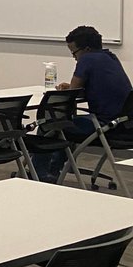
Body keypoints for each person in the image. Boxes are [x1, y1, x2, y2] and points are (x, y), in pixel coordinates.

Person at [37, 25, 133, 182]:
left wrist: (69, 88)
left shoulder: (87, 59)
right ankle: (54, 171)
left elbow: (70, 95)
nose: (74, 57)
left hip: (104, 125)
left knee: (49, 125)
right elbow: (92, 88)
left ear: (86, 49)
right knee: (63, 124)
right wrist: (73, 88)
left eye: (74, 52)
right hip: (124, 125)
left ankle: (40, 175)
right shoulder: (110, 57)